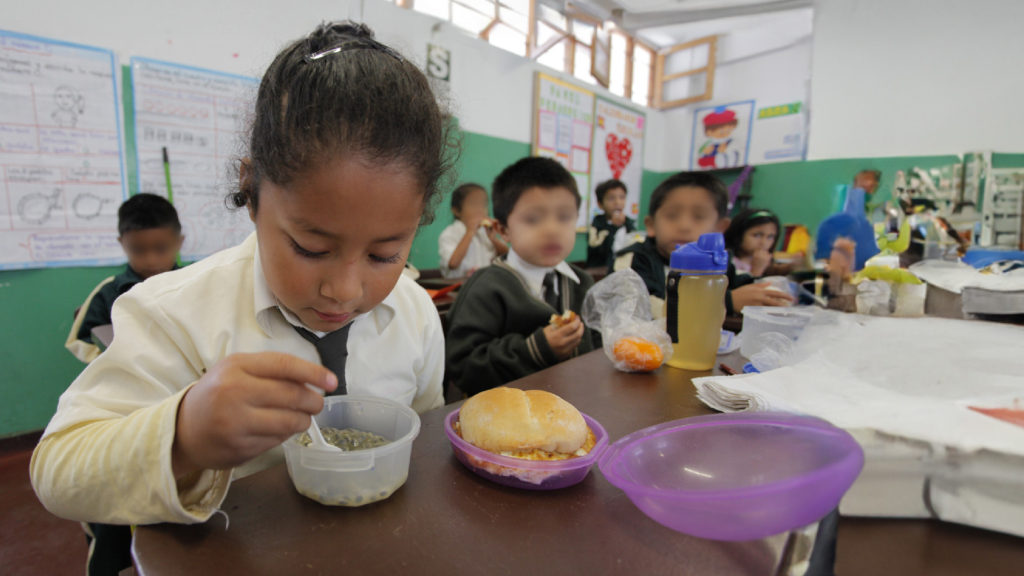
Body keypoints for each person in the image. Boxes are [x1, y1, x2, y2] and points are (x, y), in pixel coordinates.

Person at [31, 22, 454, 574]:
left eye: (384, 255)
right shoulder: (172, 313)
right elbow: (58, 473)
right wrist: (184, 436)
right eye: (309, 246)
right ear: (252, 193)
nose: (345, 290)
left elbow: (420, 443)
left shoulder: (416, 312)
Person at [445, 157, 599, 396]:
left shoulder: (583, 283)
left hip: (576, 408)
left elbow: (597, 354)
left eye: (565, 217)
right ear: (502, 230)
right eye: (533, 219)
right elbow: (463, 367)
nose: (552, 230)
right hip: (506, 418)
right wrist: (536, 349)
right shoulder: (487, 287)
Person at [613, 172, 793, 318]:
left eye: (699, 217)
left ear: (719, 228)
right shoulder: (634, 260)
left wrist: (766, 292)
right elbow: (644, 309)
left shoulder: (718, 261)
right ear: (651, 225)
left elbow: (742, 285)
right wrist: (725, 302)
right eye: (672, 216)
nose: (684, 226)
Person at [65, 194, 184, 364]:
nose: (150, 260)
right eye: (138, 250)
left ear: (179, 242)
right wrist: (113, 359)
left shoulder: (192, 282)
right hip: (128, 375)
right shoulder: (109, 291)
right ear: (122, 243)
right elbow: (82, 341)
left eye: (161, 249)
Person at [437, 182, 506, 278]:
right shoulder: (450, 233)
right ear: (456, 211)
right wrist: (470, 232)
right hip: (457, 286)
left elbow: (508, 257)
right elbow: (453, 264)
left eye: (483, 204)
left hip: (485, 283)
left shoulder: (485, 233)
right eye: (473, 204)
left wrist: (493, 239)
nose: (480, 209)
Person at [586, 178, 636, 268]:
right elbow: (600, 251)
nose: (618, 202)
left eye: (622, 197)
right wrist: (613, 227)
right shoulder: (596, 225)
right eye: (611, 198)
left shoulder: (629, 223)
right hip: (600, 271)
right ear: (600, 204)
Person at [723, 208, 781, 281]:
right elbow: (742, 290)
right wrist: (757, 270)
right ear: (738, 234)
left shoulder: (765, 260)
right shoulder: (729, 262)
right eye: (757, 235)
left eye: (770, 237)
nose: (764, 243)